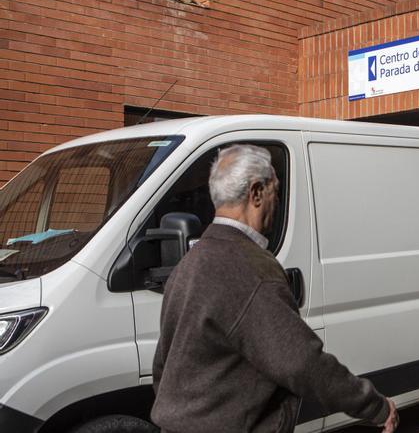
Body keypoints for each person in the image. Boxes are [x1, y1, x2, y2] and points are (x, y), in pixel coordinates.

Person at [152, 144, 398, 433]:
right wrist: (375, 407)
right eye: (275, 192)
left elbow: (163, 367)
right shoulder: (250, 268)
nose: (277, 201)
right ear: (256, 193)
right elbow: (303, 363)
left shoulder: (189, 264)